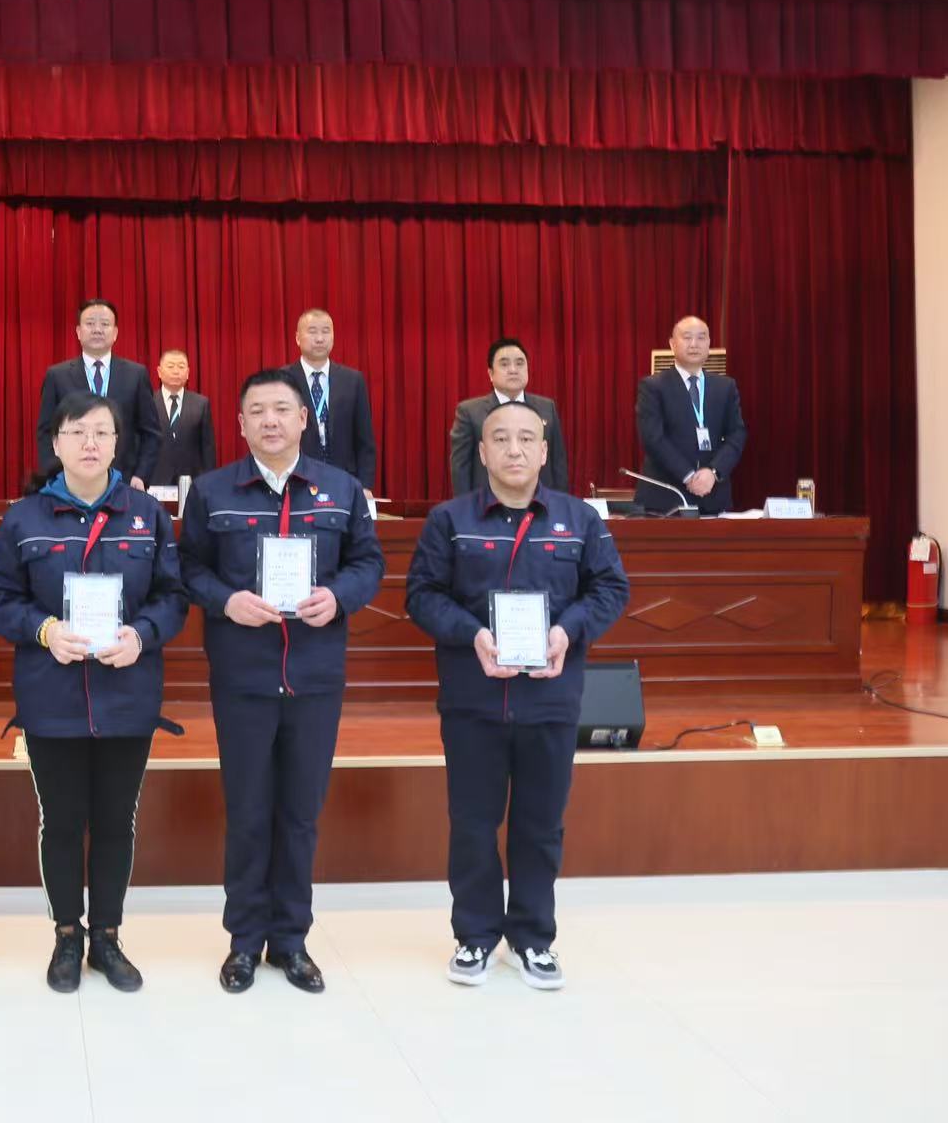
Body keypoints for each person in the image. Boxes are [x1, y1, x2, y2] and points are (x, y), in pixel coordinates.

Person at [405, 401, 630, 990]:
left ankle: (533, 938)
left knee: (540, 824)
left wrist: (567, 631)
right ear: (481, 453)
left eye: (527, 439)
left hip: (551, 699)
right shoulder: (449, 520)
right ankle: (475, 936)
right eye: (501, 439)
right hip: (472, 699)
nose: (514, 449)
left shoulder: (579, 520)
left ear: (544, 451)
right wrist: (473, 635)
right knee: (473, 824)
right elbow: (422, 595)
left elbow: (611, 588)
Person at [178, 369, 385, 994]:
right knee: (247, 812)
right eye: (257, 411)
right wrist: (225, 600)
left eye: (281, 409)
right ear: (240, 424)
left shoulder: (342, 490)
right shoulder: (212, 491)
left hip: (315, 676)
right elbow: (187, 566)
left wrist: (340, 596)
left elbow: (369, 561)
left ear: (302, 420)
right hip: (243, 676)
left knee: (300, 814)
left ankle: (291, 939)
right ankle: (244, 940)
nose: (269, 420)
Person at [0, 392, 188, 994]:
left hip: (127, 694)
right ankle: (67, 934)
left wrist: (142, 634)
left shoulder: (146, 514)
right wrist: (43, 630)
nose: (90, 443)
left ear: (118, 443)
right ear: (56, 443)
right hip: (52, 696)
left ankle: (108, 936)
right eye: (77, 432)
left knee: (117, 820)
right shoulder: (25, 518)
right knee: (63, 821)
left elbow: (173, 597)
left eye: (102, 432)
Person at [34, 299, 162, 491]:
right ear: (78, 332)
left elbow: (151, 433)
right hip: (71, 484)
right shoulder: (57, 376)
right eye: (90, 323)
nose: (97, 329)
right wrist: (56, 475)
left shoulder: (136, 375)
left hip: (125, 482)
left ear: (115, 333)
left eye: (104, 324)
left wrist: (141, 475)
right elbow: (46, 432)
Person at [634, 316, 748, 514]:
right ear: (672, 344)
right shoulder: (653, 387)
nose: (694, 344)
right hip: (666, 497)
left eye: (701, 337)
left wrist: (713, 472)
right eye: (687, 337)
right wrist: (688, 476)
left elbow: (737, 434)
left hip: (713, 495)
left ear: (709, 344)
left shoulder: (725, 386)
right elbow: (653, 438)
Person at [449, 337, 570, 496]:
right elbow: (460, 469)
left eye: (520, 363)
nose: (513, 370)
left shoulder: (546, 408)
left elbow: (558, 464)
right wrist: (466, 508)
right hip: (488, 505)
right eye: (504, 364)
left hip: (540, 504)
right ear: (491, 374)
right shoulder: (470, 412)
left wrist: (559, 503)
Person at [284, 308, 377, 493]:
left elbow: (365, 441)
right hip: (296, 482)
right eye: (312, 332)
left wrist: (365, 486)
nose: (320, 338)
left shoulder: (353, 380)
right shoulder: (282, 379)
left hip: (345, 482)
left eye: (326, 331)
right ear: (297, 338)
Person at [152, 349, 216, 488]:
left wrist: (208, 481)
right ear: (159, 372)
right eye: (170, 366)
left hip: (192, 482)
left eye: (181, 367)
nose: (176, 371)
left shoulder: (201, 403)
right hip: (155, 480)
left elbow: (207, 448)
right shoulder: (148, 402)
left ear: (187, 373)